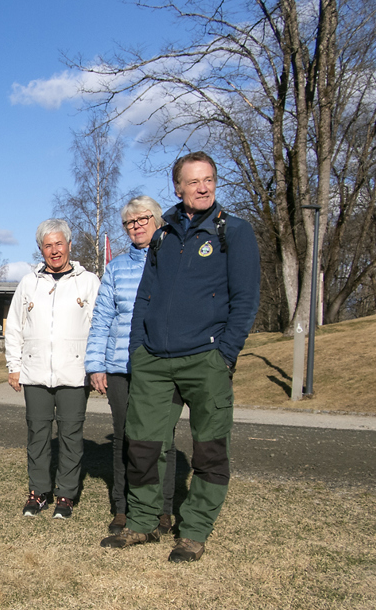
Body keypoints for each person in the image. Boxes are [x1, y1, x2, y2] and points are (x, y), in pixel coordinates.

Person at [102, 152, 260, 562]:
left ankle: (193, 532)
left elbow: (245, 299)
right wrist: (138, 349)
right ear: (178, 188)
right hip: (154, 361)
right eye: (194, 182)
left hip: (206, 358)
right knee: (142, 446)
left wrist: (225, 354)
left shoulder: (233, 232)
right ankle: (141, 522)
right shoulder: (164, 235)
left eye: (209, 179)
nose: (203, 188)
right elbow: (145, 297)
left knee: (209, 449)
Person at [85, 197, 178, 541]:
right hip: (120, 366)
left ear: (158, 220)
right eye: (129, 222)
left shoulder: (175, 260)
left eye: (142, 219)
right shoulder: (117, 268)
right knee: (124, 437)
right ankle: (122, 507)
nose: (136, 226)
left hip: (163, 365)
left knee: (161, 439)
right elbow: (102, 319)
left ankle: (163, 508)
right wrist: (96, 365)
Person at [5, 219, 100, 519]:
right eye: (48, 245)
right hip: (34, 374)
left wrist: (96, 366)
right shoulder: (28, 283)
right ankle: (38, 492)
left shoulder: (89, 282)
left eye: (59, 243)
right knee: (38, 435)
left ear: (69, 245)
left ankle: (66, 494)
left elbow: (100, 327)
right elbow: (15, 327)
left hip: (75, 374)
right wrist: (14, 366)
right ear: (40, 249)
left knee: (71, 436)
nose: (54, 250)